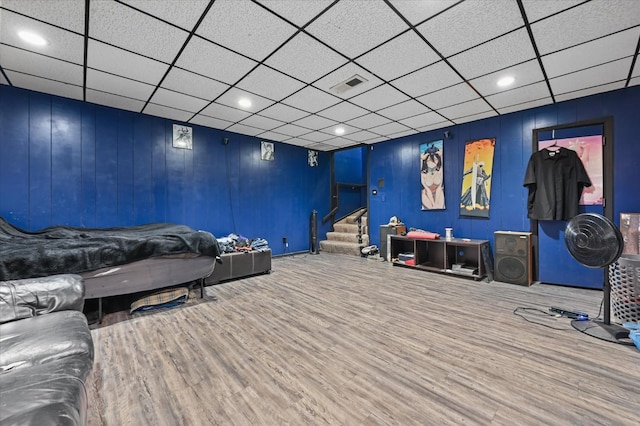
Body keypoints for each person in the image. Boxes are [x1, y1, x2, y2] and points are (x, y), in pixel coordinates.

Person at [421, 144, 445, 209]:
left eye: (435, 159)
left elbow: (439, 188)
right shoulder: (423, 174)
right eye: (428, 160)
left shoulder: (440, 171)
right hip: (426, 194)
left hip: (438, 192)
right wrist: (433, 204)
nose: (432, 163)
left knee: (439, 207)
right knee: (431, 207)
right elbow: (427, 190)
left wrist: (436, 203)